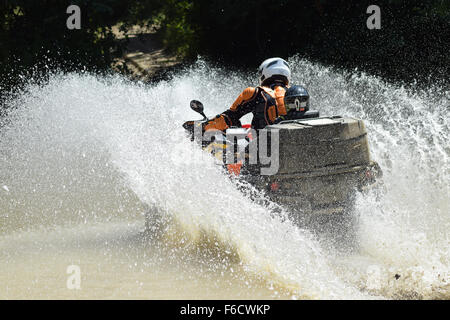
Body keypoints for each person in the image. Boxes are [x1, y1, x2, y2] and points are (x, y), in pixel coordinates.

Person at [203, 57, 291, 132]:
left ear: (264, 74)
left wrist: (203, 127)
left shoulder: (256, 93)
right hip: (293, 144)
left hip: (262, 147)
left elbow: (228, 118)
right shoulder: (297, 94)